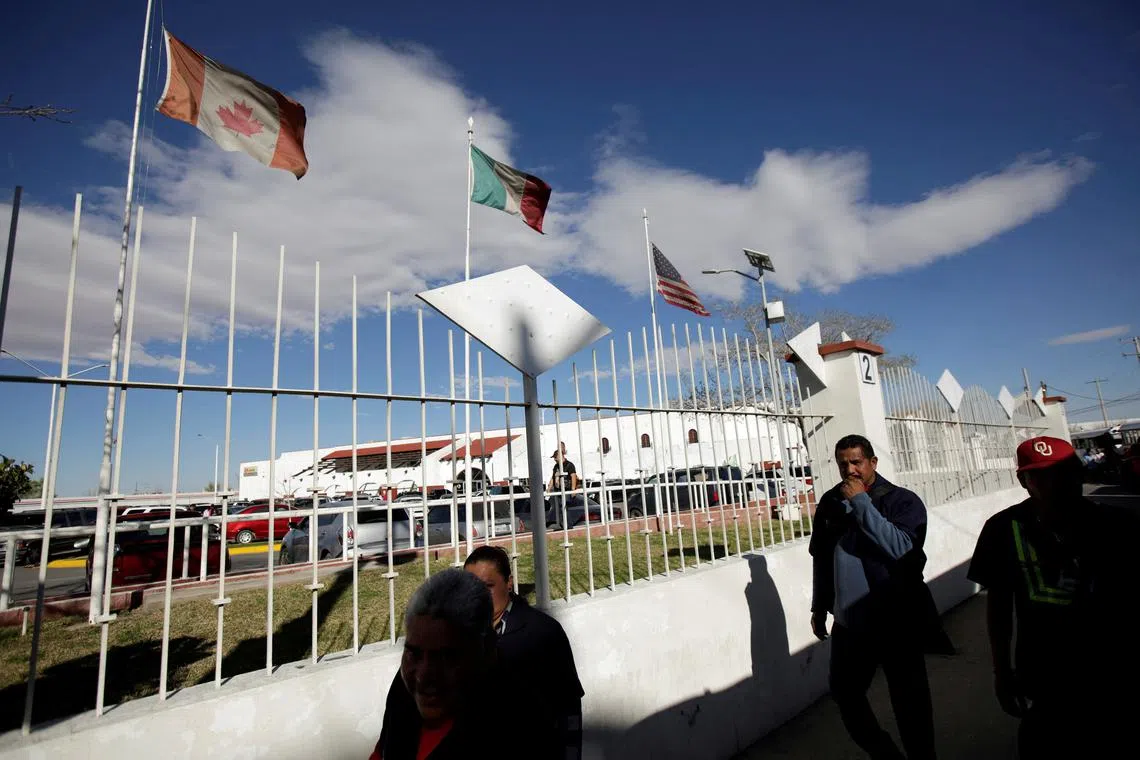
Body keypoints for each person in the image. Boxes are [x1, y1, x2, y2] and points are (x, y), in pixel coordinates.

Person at [966, 436, 1140, 758]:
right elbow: (999, 607)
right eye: (1042, 476)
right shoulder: (1003, 529)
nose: (1057, 485)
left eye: (1066, 473)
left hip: (1115, 673)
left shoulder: (1119, 525)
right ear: (1024, 481)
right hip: (1045, 677)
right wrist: (1002, 673)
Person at [809, 434, 945, 760]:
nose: (850, 470)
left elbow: (901, 548)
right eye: (843, 463)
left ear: (872, 462)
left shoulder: (901, 501)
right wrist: (819, 606)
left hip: (896, 620)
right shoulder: (830, 502)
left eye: (856, 462)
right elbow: (822, 558)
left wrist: (861, 503)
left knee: (910, 704)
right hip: (850, 624)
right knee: (845, 694)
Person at [371, 568, 519, 760]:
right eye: (413, 653)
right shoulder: (403, 692)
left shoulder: (513, 724)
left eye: (446, 658)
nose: (423, 675)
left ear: (484, 653)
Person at [464, 545, 585, 759]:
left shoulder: (544, 632)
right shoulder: (458, 636)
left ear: (508, 583)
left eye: (488, 586)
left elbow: (569, 706)